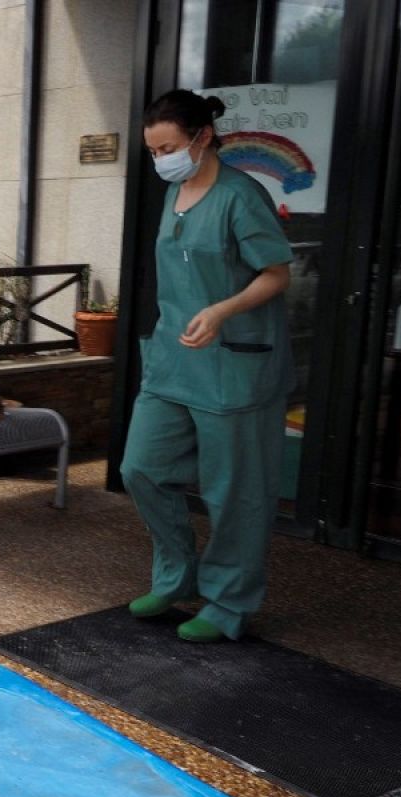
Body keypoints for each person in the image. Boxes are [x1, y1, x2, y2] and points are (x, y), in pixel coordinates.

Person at [121, 89, 295, 642]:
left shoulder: (242, 196)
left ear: (202, 137)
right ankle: (177, 574)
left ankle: (227, 604)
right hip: (174, 362)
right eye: (153, 151)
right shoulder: (173, 195)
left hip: (233, 365)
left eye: (169, 146)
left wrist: (222, 309)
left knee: (235, 492)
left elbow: (276, 274)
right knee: (141, 468)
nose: (161, 159)